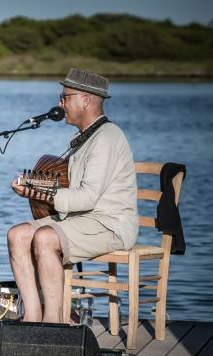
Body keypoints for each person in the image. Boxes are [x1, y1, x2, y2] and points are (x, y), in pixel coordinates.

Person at [7, 68, 138, 323]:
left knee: (45, 238)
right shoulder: (82, 138)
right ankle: (32, 317)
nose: (60, 103)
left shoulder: (107, 138)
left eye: (65, 97)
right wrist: (32, 187)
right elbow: (71, 188)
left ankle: (54, 321)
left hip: (110, 224)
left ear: (86, 100)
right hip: (80, 219)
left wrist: (39, 193)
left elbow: (87, 198)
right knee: (17, 234)